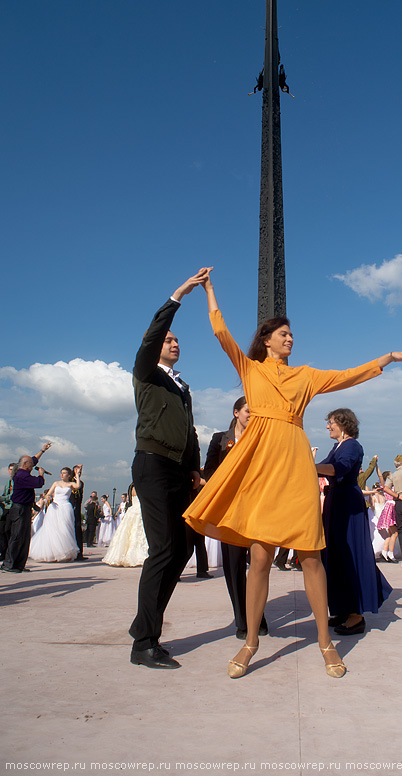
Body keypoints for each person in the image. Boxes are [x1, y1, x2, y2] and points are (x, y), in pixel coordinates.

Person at [184, 268, 402, 678]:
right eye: (283, 334)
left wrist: (387, 358)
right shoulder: (250, 368)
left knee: (311, 556)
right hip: (263, 466)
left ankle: (325, 643)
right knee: (259, 557)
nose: (290, 338)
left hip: (295, 464)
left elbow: (347, 375)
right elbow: (221, 333)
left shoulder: (306, 376)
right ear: (266, 339)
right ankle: (250, 643)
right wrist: (209, 290)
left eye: (291, 334)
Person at [129, 270, 204, 669]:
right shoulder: (147, 372)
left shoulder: (182, 387)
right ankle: (144, 642)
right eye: (169, 339)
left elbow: (189, 430)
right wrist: (176, 297)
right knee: (163, 549)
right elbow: (151, 336)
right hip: (153, 464)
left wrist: (193, 468)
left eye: (177, 340)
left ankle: (145, 624)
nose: (174, 342)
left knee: (184, 547)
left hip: (178, 470)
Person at [316, 409, 392, 636]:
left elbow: (337, 469)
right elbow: (325, 466)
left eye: (330, 423)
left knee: (350, 554)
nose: (328, 426)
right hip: (337, 503)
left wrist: (307, 464)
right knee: (337, 555)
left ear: (343, 424)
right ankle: (343, 608)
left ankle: (356, 615)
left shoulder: (351, 446)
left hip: (347, 505)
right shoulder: (338, 446)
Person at [204, 396, 268, 639]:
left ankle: (257, 615)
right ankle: (243, 621)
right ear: (236, 412)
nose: (252, 415)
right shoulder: (220, 439)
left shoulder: (260, 439)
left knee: (259, 563)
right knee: (234, 565)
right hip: (229, 509)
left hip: (256, 507)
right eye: (248, 410)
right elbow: (208, 469)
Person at [1, 443, 52, 574]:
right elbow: (38, 483)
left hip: (25, 508)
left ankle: (18, 565)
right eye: (30, 464)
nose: (32, 466)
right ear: (25, 465)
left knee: (24, 538)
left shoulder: (23, 471)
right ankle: (8, 564)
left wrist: (43, 450)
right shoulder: (22, 476)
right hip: (19, 509)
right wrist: (41, 474)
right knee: (17, 536)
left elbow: (33, 460)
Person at [29, 466, 82, 562]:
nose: (62, 474)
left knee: (65, 528)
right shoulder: (56, 483)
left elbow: (78, 486)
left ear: (69, 475)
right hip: (54, 506)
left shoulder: (71, 484)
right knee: (52, 529)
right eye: (61, 472)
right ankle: (52, 553)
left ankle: (65, 553)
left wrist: (77, 475)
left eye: (64, 473)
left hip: (65, 506)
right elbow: (48, 494)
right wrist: (47, 497)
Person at [103, 484, 148, 567]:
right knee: (137, 533)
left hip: (132, 510)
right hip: (140, 510)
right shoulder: (141, 486)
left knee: (128, 533)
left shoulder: (131, 488)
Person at [0, 463, 17, 561]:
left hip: (12, 508)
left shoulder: (16, 482)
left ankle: (8, 553)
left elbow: (12, 496)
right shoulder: (8, 482)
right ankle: (3, 551)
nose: (11, 472)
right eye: (10, 469)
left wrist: (2, 498)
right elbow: (5, 493)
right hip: (5, 508)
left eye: (13, 470)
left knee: (7, 530)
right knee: (2, 530)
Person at [69, 465, 86, 561]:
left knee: (77, 529)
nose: (79, 472)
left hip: (77, 508)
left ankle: (79, 553)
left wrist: (77, 477)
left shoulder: (80, 483)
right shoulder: (69, 483)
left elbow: (79, 486)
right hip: (70, 507)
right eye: (78, 470)